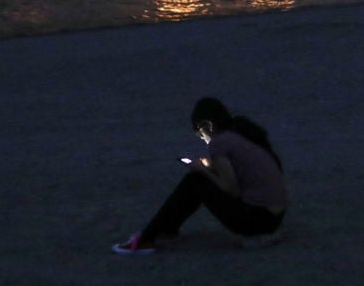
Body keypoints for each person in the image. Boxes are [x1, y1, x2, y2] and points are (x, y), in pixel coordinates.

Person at [112, 96, 288, 255]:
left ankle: (147, 238)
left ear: (207, 126)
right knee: (199, 179)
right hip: (273, 218)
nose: (201, 138)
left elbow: (231, 189)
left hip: (257, 220)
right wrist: (210, 167)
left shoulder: (219, 143)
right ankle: (166, 229)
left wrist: (201, 169)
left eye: (199, 133)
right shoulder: (240, 133)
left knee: (195, 181)